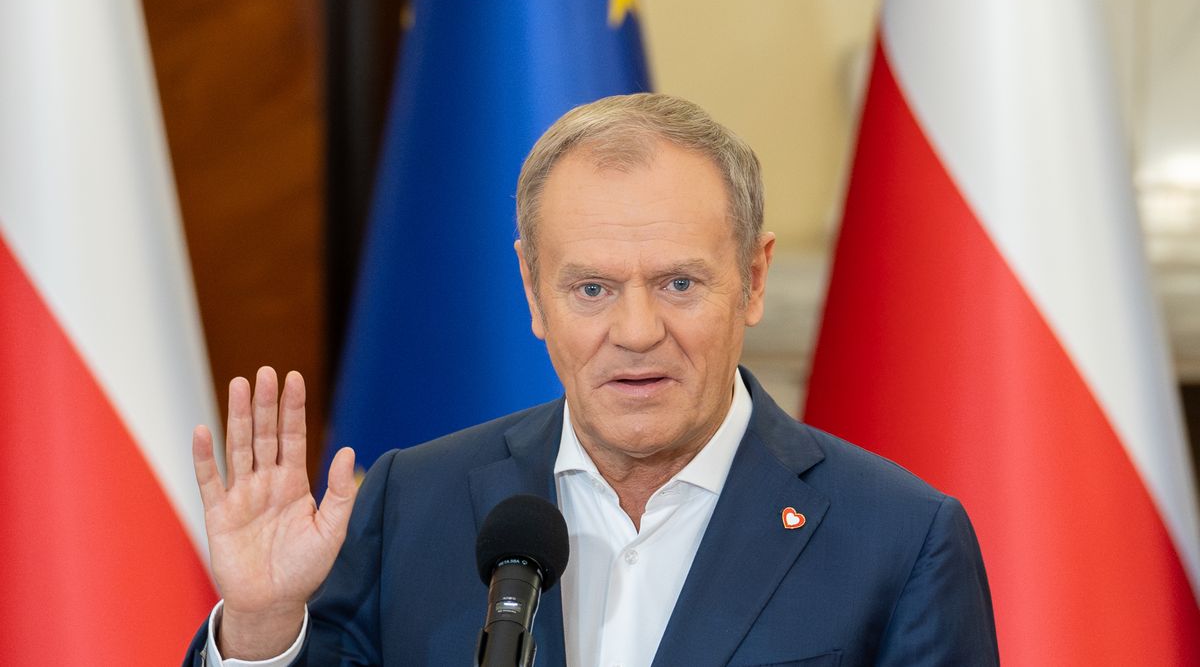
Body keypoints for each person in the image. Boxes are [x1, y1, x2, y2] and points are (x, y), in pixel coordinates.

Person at [184, 93, 999, 666]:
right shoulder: (410, 504)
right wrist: (260, 625)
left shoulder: (900, 541)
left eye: (679, 283)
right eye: (592, 289)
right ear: (535, 293)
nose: (637, 331)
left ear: (753, 280)